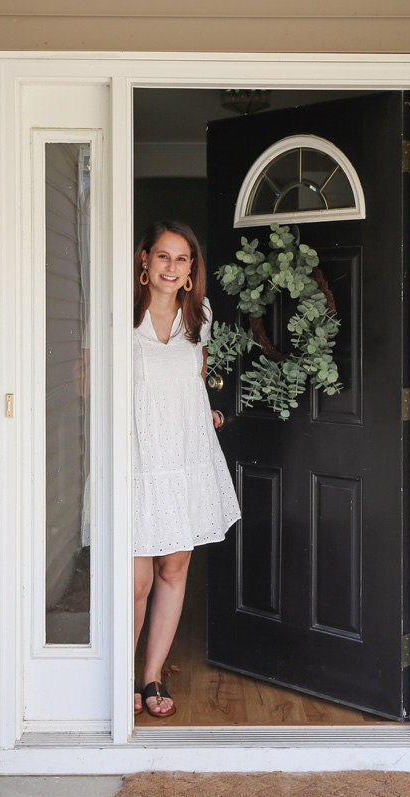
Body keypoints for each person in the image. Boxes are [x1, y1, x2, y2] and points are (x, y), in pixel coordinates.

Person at [133, 221, 240, 717]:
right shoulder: (122, 317)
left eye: (182, 259)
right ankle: (118, 676)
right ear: (144, 260)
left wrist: (206, 412)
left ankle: (151, 677)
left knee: (173, 570)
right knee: (135, 580)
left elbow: (196, 377)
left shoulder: (199, 316)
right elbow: (85, 381)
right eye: (163, 257)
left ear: (192, 269)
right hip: (136, 459)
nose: (172, 267)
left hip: (184, 456)